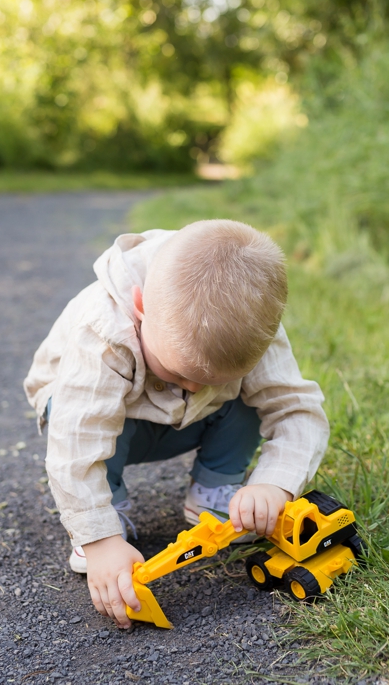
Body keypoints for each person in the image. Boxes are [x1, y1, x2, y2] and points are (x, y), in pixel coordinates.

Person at [24, 220, 329, 627]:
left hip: (181, 422)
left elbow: (295, 409)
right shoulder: (102, 330)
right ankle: (106, 509)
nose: (192, 387)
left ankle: (216, 486)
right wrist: (99, 541)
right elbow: (75, 442)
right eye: (177, 371)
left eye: (208, 382)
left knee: (250, 396)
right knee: (83, 420)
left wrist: (273, 483)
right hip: (97, 417)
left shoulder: (250, 326)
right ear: (141, 306)